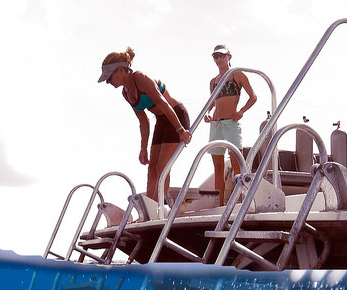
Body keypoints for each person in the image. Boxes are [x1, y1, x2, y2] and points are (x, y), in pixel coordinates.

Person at [98, 47, 192, 203]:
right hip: (161, 121)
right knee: (152, 168)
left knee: (162, 168)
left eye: (109, 77)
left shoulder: (140, 78)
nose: (108, 81)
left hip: (175, 116)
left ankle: (158, 207)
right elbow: (143, 120)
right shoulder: (125, 92)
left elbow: (163, 103)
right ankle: (150, 207)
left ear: (121, 70)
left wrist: (180, 130)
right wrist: (143, 148)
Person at [204, 44, 257, 198]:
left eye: (222, 55)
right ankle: (219, 204)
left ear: (229, 56)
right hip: (215, 125)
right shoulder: (213, 81)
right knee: (218, 167)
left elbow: (253, 97)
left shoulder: (237, 75)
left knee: (237, 165)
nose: (219, 59)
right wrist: (207, 114)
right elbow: (212, 103)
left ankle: (241, 201)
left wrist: (241, 111)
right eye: (216, 56)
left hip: (230, 124)